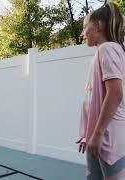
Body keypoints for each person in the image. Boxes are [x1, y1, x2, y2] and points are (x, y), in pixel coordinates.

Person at [76, 2, 125, 179]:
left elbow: (115, 94)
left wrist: (97, 134)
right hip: (98, 134)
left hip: (108, 136)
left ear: (98, 25)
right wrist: (88, 133)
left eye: (85, 27)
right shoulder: (101, 53)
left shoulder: (108, 49)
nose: (82, 34)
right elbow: (94, 99)